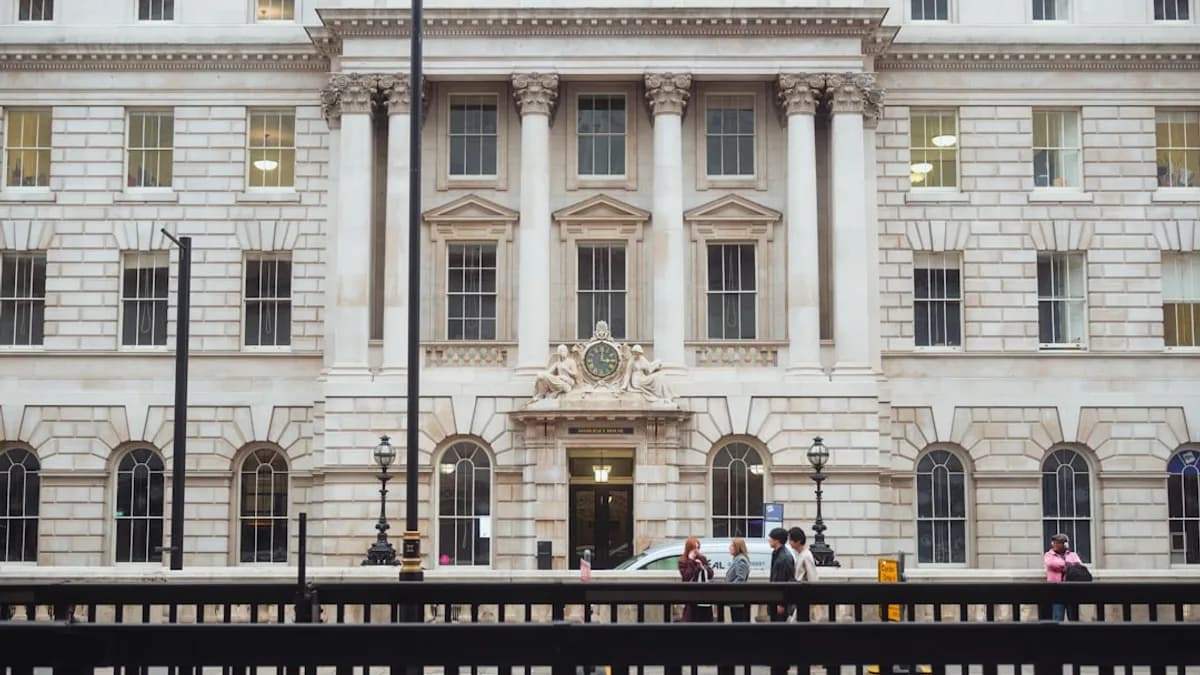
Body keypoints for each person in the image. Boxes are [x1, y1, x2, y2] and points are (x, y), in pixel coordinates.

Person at [1043, 533, 1082, 621]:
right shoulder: (1049, 555)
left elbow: (1078, 566)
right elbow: (1051, 564)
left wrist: (1065, 566)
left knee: (1073, 617)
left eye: (1058, 542)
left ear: (1065, 544)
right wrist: (1068, 566)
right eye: (1054, 542)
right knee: (1057, 615)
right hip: (1057, 590)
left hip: (1071, 589)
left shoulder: (1072, 555)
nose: (1054, 544)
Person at [678, 537, 715, 623]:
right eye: (694, 548)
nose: (696, 551)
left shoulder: (702, 558)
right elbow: (686, 577)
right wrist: (691, 561)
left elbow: (710, 575)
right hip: (691, 595)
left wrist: (703, 567)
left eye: (698, 548)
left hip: (703, 595)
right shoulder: (683, 561)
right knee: (690, 618)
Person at [724, 538, 751, 622]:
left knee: (738, 620)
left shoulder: (741, 560)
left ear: (737, 547)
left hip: (738, 598)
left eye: (732, 545)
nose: (730, 547)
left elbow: (740, 578)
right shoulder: (737, 559)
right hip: (735, 598)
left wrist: (730, 589)